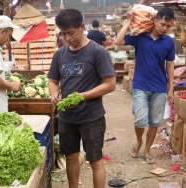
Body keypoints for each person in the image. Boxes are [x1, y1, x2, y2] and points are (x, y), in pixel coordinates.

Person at [47, 9, 116, 188]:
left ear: (82, 27)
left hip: (91, 117)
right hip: (67, 118)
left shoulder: (98, 52)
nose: (68, 38)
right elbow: (53, 80)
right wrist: (54, 93)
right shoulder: (59, 54)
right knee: (71, 158)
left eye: (71, 33)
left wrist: (82, 96)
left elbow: (110, 84)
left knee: (95, 160)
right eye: (63, 33)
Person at [115, 6, 175, 164]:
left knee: (155, 122)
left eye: (168, 26)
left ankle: (147, 151)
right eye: (162, 24)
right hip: (141, 85)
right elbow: (118, 41)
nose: (165, 28)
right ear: (155, 21)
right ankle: (138, 141)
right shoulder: (140, 37)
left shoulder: (169, 41)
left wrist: (171, 88)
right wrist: (128, 21)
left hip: (159, 87)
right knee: (140, 120)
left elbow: (170, 65)